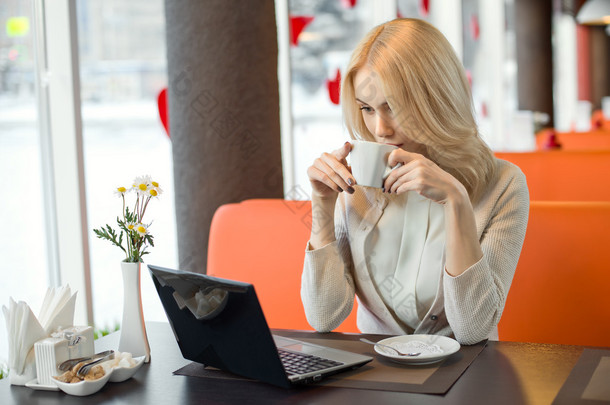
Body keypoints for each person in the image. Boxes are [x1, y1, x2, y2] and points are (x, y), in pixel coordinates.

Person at [301, 18, 529, 345]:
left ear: (436, 99)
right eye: (366, 108)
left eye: (392, 107)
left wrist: (456, 201)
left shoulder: (504, 185)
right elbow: (324, 317)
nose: (380, 129)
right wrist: (323, 206)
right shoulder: (359, 182)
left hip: (468, 379)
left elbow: (473, 330)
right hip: (378, 379)